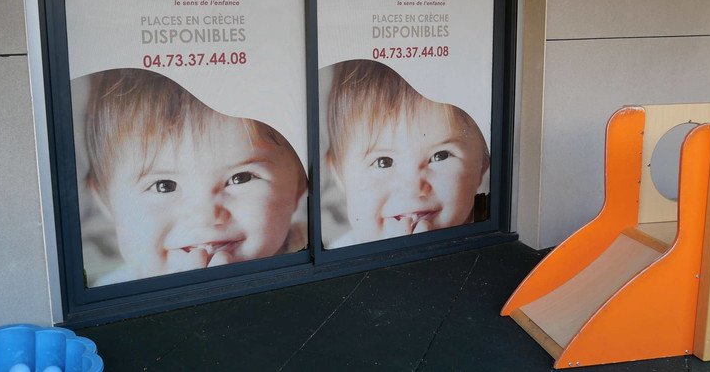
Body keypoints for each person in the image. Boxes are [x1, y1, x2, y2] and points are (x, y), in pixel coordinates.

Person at [83, 69, 307, 286]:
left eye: (240, 178)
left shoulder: (318, 249)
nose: (206, 216)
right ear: (105, 201)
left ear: (301, 183)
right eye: (164, 186)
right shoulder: (117, 297)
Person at [325, 60, 489, 248]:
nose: (413, 187)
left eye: (440, 156)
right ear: (339, 174)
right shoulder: (339, 257)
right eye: (383, 162)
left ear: (483, 162)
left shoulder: (488, 243)